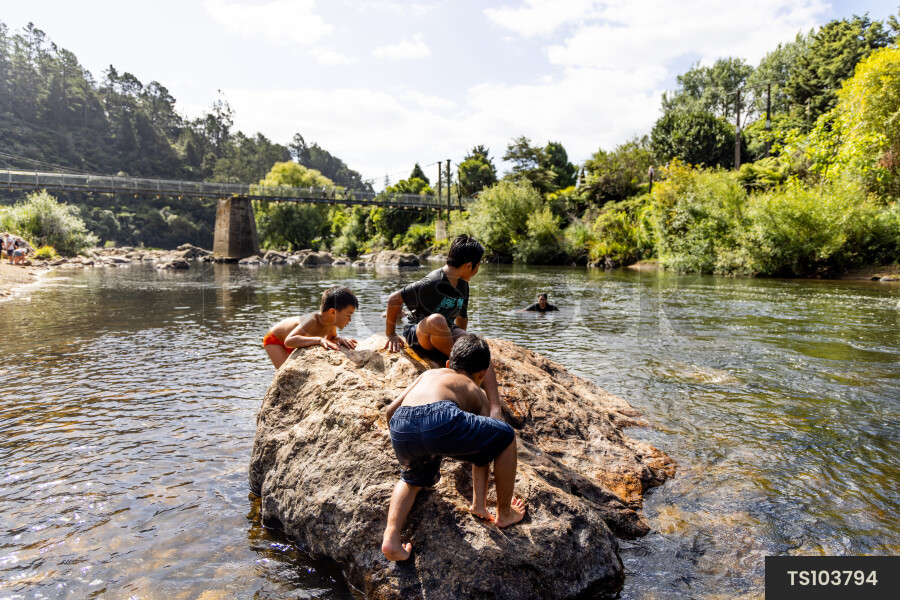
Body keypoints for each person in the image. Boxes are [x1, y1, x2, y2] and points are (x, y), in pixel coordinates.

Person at [381, 335, 526, 561]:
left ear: (449, 364)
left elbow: (390, 411)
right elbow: (483, 454)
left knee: (411, 479)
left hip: (402, 426)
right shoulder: (476, 391)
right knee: (505, 436)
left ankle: (391, 539)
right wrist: (479, 504)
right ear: (482, 374)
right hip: (441, 419)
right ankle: (504, 513)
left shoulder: (429, 374)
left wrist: (406, 446)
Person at [383, 234, 503, 419]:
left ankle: (495, 407)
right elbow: (394, 300)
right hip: (420, 333)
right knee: (437, 320)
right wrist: (390, 334)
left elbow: (462, 317)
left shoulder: (463, 284)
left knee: (477, 346)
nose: (478, 269)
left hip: (443, 335)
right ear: (469, 265)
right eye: (478, 265)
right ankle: (463, 368)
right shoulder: (433, 282)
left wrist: (466, 343)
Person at [262, 285, 358, 369]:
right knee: (286, 372)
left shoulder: (332, 322)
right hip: (275, 340)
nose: (350, 320)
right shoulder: (312, 320)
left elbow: (330, 337)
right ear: (333, 312)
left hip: (297, 341)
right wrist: (318, 340)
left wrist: (337, 338)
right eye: (348, 315)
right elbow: (289, 341)